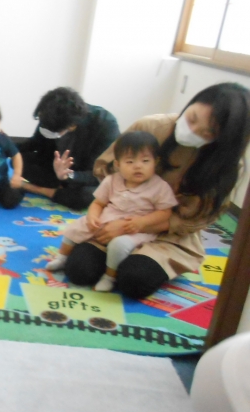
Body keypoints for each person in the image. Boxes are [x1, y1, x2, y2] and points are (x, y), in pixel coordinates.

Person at [64, 82, 250, 298]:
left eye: (207, 133)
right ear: (190, 104)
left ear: (223, 140)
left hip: (168, 233)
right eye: (192, 119)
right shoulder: (151, 127)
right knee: (79, 271)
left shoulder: (226, 165)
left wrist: (135, 225)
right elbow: (106, 169)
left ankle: (134, 261)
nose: (192, 131)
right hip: (118, 216)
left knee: (134, 281)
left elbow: (195, 218)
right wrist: (114, 214)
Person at [46, 131, 177, 292]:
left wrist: (142, 222)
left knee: (118, 245)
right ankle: (62, 257)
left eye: (145, 161)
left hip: (136, 229)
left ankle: (109, 277)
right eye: (130, 161)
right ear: (117, 164)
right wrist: (92, 216)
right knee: (76, 226)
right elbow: (98, 203)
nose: (138, 166)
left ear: (156, 162)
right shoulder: (112, 180)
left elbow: (165, 213)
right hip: (107, 219)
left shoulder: (160, 187)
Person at [18, 87, 120, 211]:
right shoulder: (50, 115)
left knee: (90, 194)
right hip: (54, 169)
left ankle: (38, 189)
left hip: (81, 176)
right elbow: (33, 144)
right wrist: (4, 143)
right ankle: (61, 190)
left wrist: (68, 175)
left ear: (72, 126)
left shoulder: (106, 124)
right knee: (19, 160)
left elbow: (100, 173)